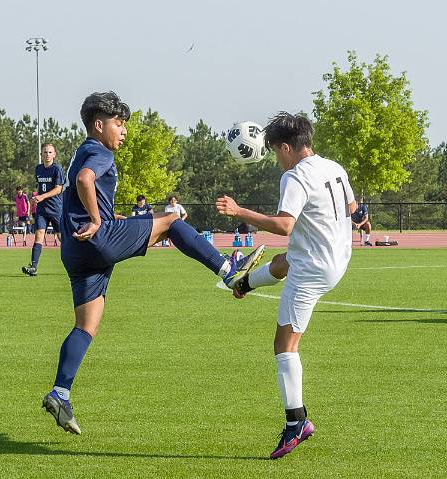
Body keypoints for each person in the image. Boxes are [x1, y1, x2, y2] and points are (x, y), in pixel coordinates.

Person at [41, 91, 265, 434]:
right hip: (96, 239)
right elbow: (86, 180)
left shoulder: (80, 152)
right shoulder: (98, 151)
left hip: (75, 249)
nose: (124, 130)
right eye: (119, 123)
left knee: (87, 325)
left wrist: (101, 214)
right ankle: (228, 271)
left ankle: (60, 392)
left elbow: (81, 187)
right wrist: (100, 221)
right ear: (98, 126)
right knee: (172, 220)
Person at [216, 112, 357, 459]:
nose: (276, 160)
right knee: (284, 261)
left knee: (284, 345)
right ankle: (246, 284)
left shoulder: (295, 176)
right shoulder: (333, 166)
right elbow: (353, 207)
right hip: (338, 256)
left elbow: (283, 225)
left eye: (276, 153)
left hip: (314, 269)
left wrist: (239, 212)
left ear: (285, 147)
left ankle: (297, 422)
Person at [22, 144, 64, 276]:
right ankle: (33, 266)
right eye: (45, 152)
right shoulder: (38, 169)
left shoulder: (57, 169)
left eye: (50, 152)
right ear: (41, 154)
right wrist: (37, 198)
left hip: (56, 208)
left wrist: (41, 196)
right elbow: (41, 187)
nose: (47, 154)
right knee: (39, 235)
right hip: (41, 209)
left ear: (54, 154)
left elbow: (59, 189)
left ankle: (81, 263)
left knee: (62, 237)